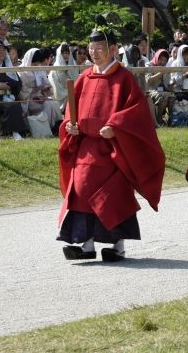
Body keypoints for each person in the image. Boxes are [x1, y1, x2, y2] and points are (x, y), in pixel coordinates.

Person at [57, 23, 165, 262]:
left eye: (99, 47)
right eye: (91, 47)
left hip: (113, 148)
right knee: (81, 189)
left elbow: (136, 112)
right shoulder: (85, 77)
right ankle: (85, 244)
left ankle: (117, 245)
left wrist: (116, 127)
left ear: (113, 48)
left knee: (113, 195)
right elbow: (70, 111)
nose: (94, 52)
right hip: (86, 145)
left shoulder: (124, 78)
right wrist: (70, 125)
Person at [0, 40, 28, 140]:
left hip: (10, 95)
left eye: (3, 50)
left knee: (15, 104)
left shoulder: (8, 66)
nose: (1, 52)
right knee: (11, 105)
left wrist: (8, 86)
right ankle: (11, 133)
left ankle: (16, 132)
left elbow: (18, 84)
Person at [19, 48, 63, 136]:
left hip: (41, 97)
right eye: (34, 63)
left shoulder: (40, 70)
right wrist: (36, 90)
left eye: (37, 63)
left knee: (53, 103)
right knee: (49, 104)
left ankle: (53, 126)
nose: (36, 65)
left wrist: (46, 89)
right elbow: (22, 91)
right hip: (28, 100)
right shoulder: (21, 72)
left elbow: (47, 85)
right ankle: (46, 127)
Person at [146, 49, 175, 127]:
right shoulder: (149, 65)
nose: (163, 62)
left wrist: (171, 86)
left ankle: (171, 121)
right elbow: (148, 81)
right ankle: (159, 120)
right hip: (151, 91)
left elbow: (167, 85)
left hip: (163, 91)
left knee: (172, 97)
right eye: (161, 59)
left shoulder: (165, 68)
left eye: (165, 60)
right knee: (164, 97)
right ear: (157, 57)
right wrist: (159, 73)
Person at [49, 43, 76, 112]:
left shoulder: (74, 66)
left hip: (74, 96)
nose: (65, 55)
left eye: (67, 53)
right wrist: (68, 94)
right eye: (63, 53)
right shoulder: (54, 69)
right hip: (60, 100)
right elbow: (55, 88)